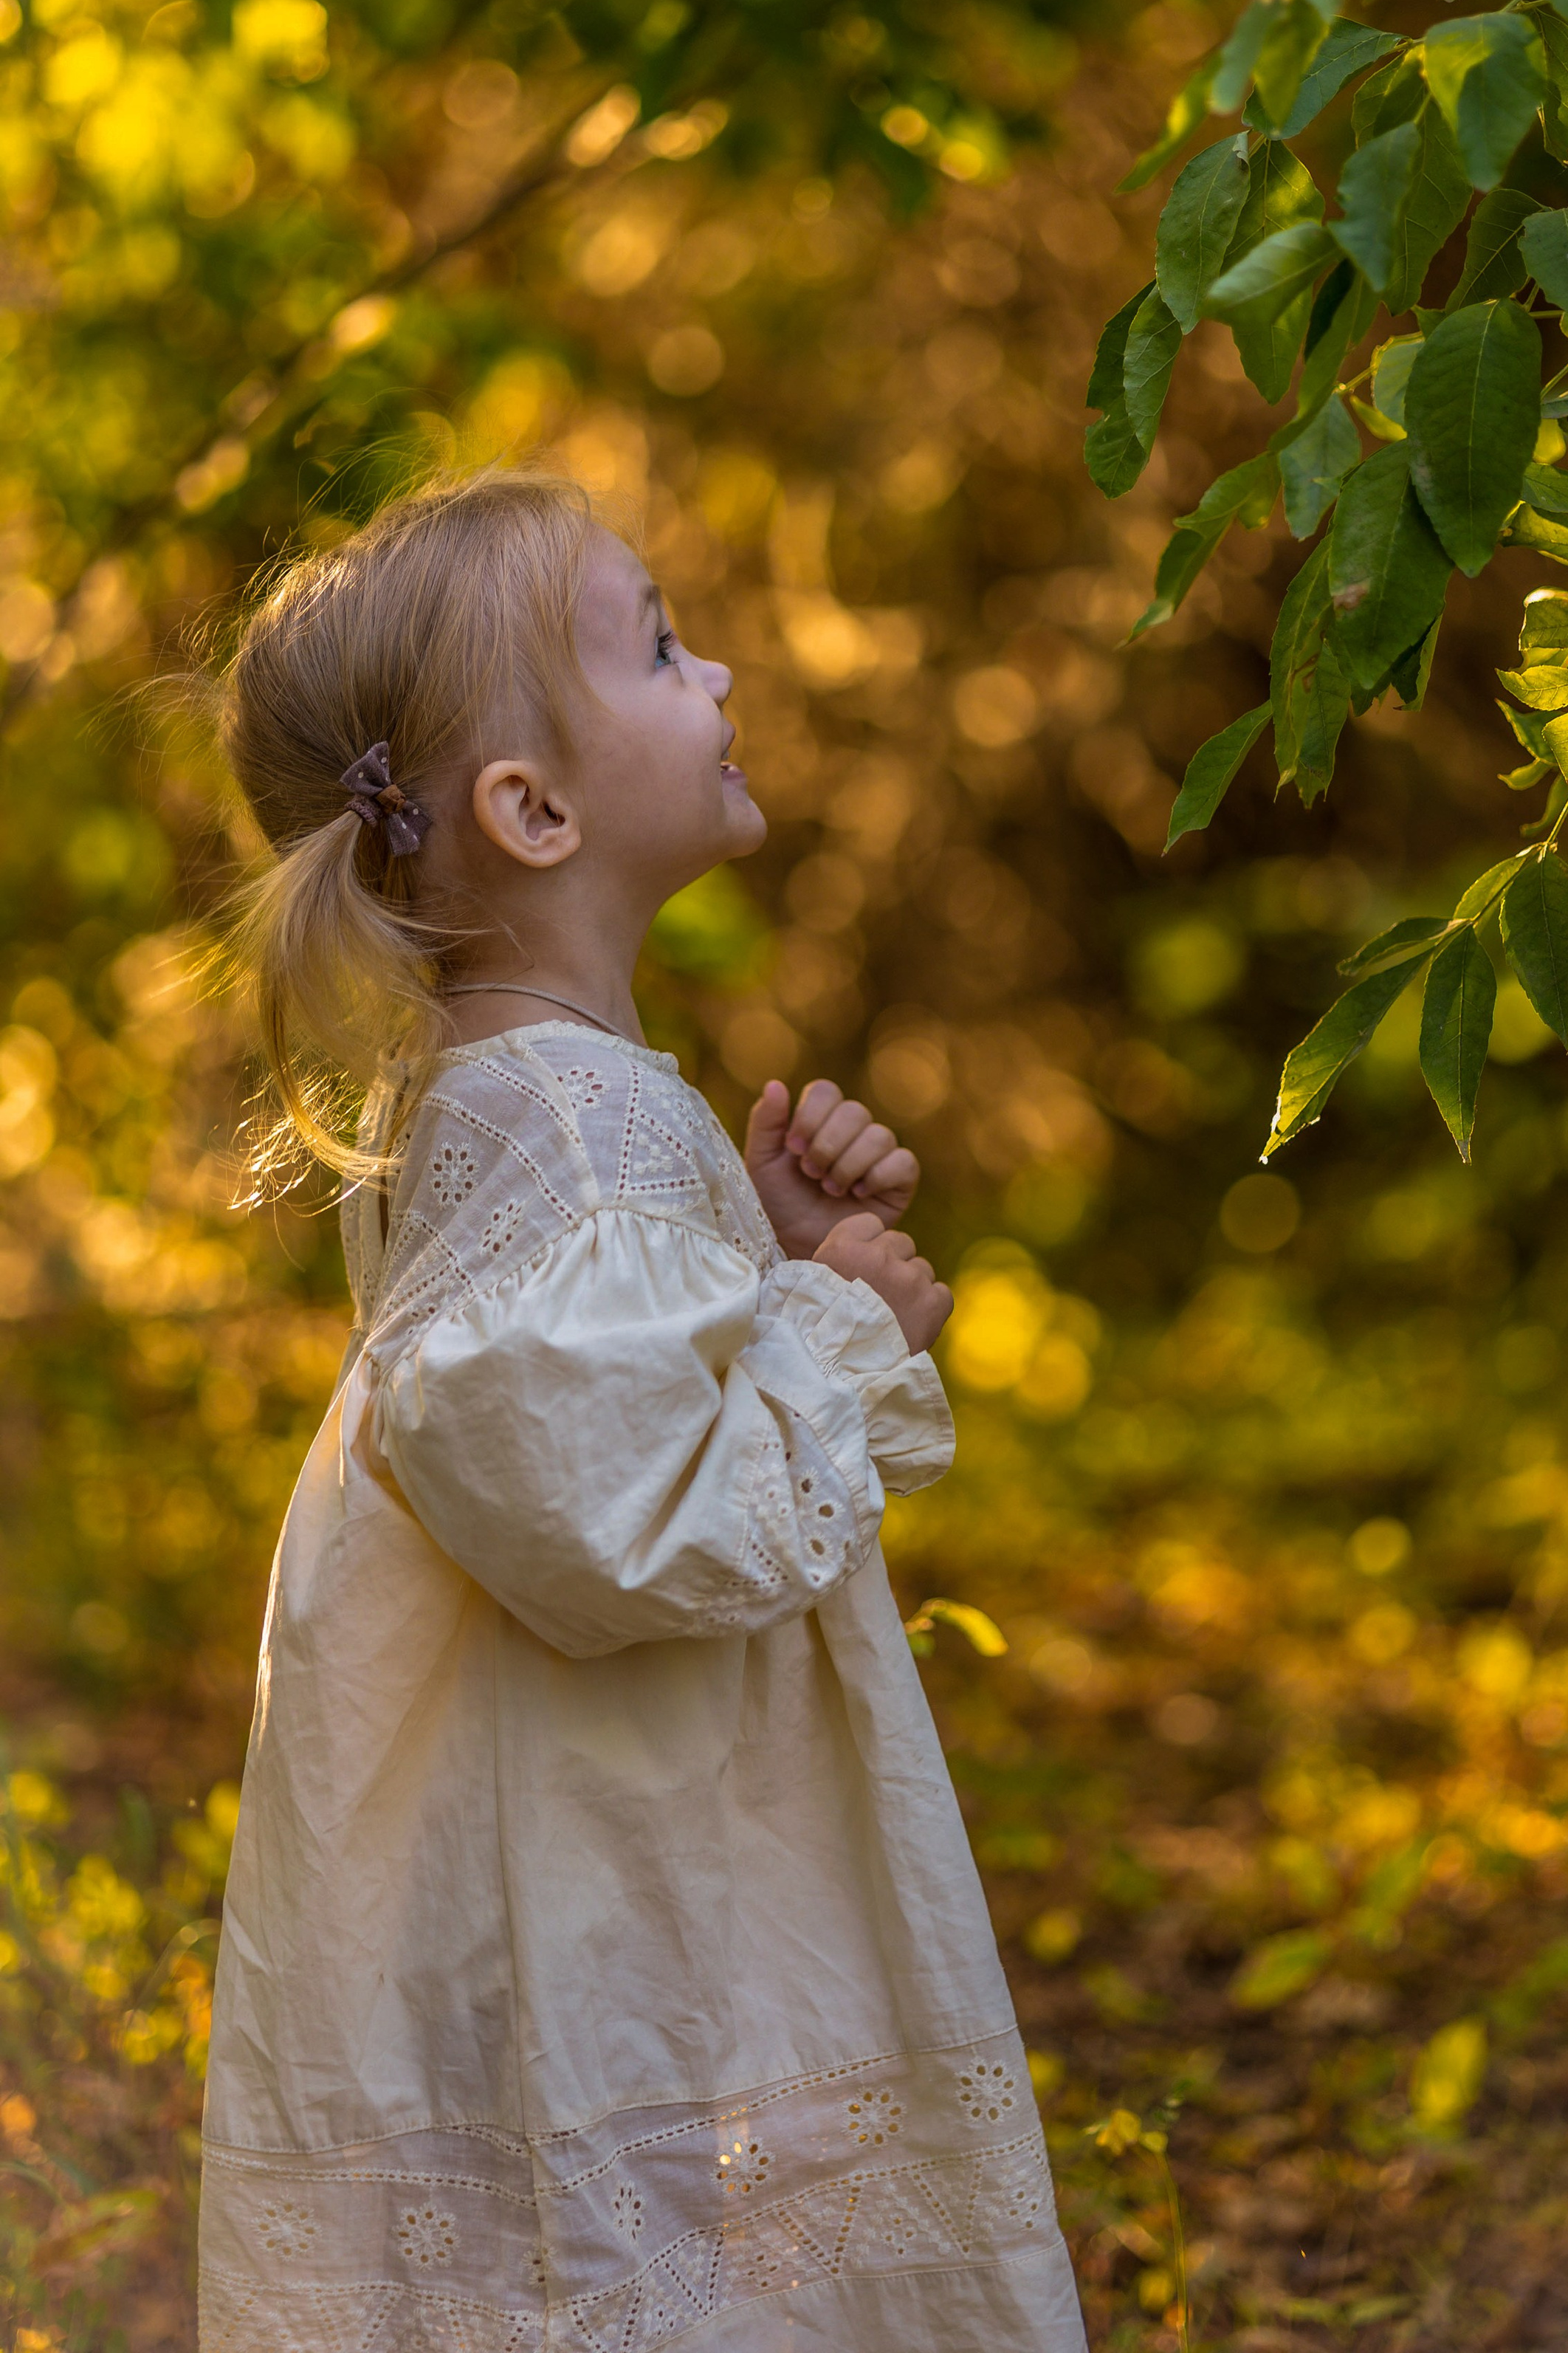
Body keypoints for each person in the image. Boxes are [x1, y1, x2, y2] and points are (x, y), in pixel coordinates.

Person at [196, 472, 1088, 2351]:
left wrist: (748, 1263)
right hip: (624, 1855)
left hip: (589, 1819)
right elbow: (631, 1529)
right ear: (533, 811)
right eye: (666, 648)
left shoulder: (516, 1099)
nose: (724, 672)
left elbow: (565, 1425)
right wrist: (835, 1330)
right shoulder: (569, 1118)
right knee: (665, 2280)